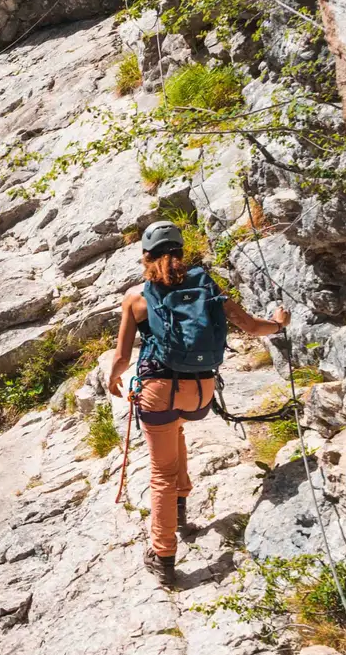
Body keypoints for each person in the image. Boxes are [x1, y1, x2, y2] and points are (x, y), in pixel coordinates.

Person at [106, 220, 290, 584]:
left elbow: (122, 358)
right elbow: (252, 327)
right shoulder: (206, 285)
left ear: (146, 256)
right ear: (180, 251)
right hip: (201, 391)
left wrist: (112, 378)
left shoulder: (136, 297)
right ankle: (181, 512)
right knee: (177, 433)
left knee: (160, 471)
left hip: (159, 391)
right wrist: (278, 324)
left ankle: (163, 554)